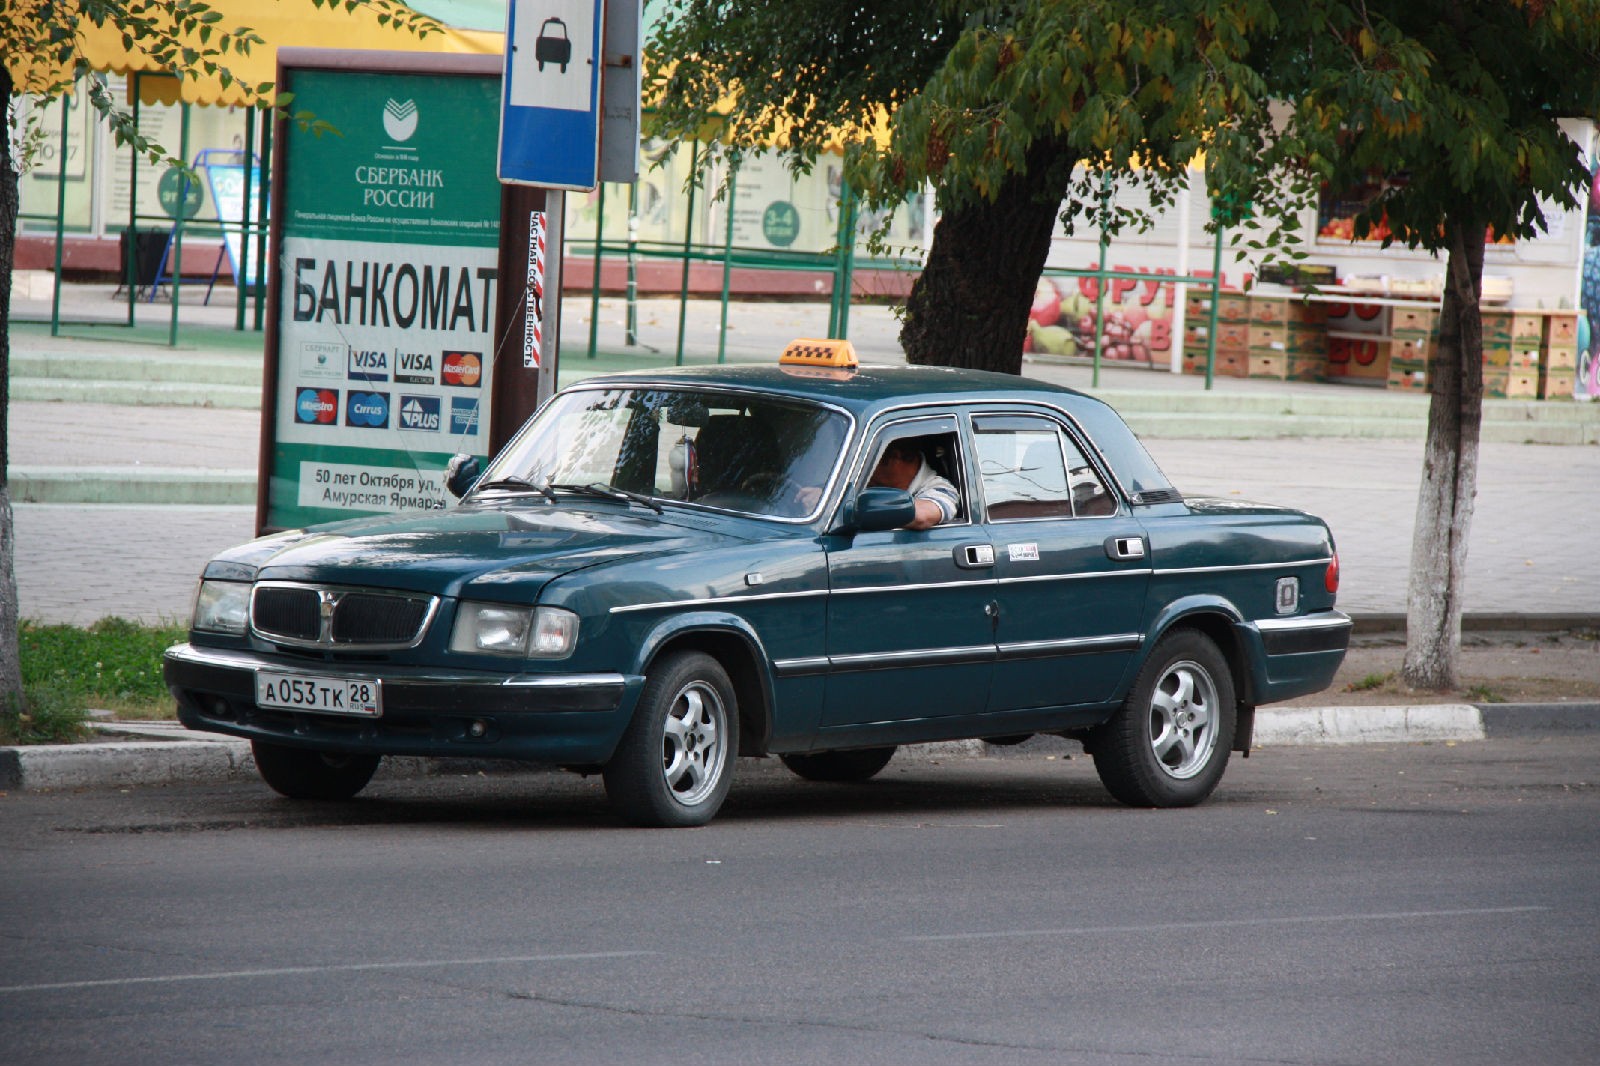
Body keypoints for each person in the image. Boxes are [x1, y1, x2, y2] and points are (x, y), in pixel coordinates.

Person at [868, 441, 959, 530]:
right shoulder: (875, 484)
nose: (865, 473)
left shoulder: (942, 489)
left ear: (895, 458)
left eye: (868, 464)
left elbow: (921, 516)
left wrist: (867, 509)